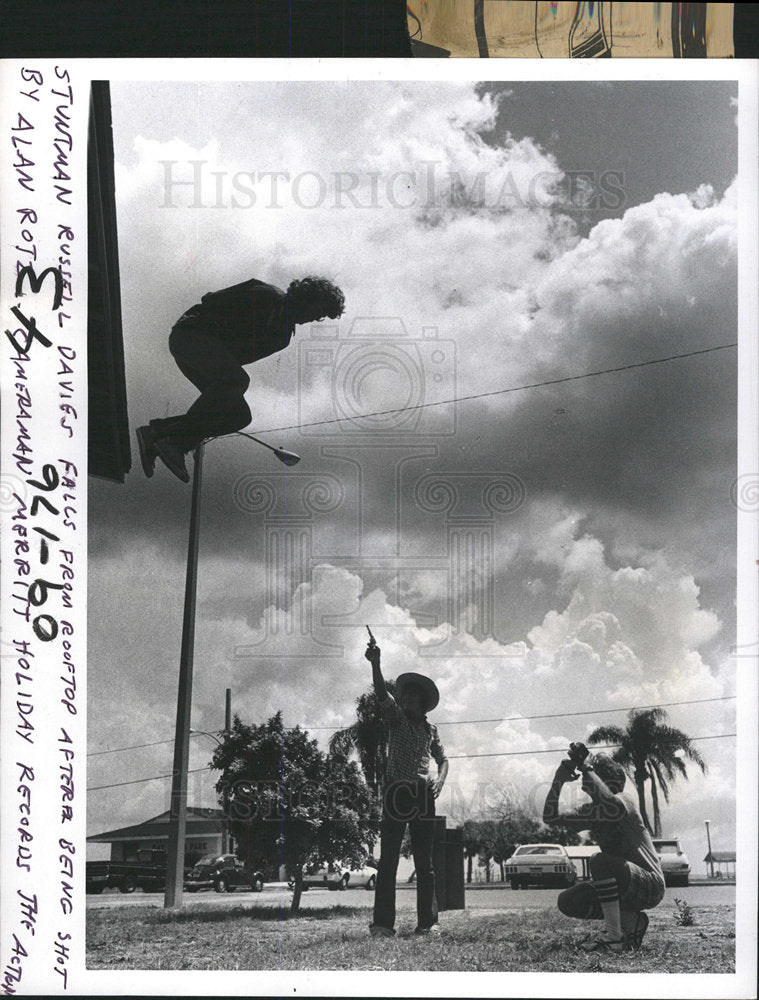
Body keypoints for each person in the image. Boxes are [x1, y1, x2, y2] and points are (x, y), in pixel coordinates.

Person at [136, 275, 345, 482]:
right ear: (306, 297)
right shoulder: (267, 295)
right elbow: (211, 300)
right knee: (237, 381)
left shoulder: (282, 337)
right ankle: (174, 443)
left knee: (239, 416)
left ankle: (158, 432)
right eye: (316, 309)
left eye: (320, 315)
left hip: (207, 353)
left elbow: (238, 358)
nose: (313, 317)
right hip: (190, 335)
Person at [364, 639, 448, 938]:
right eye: (406, 697)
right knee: (388, 860)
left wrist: (440, 780)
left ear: (423, 703)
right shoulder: (395, 720)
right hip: (396, 793)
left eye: (413, 698)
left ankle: (428, 923)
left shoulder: (431, 729)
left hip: (423, 795)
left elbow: (443, 759)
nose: (408, 701)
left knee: (425, 863)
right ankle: (383, 925)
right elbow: (381, 694)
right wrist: (375, 663)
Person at [543, 749, 665, 953]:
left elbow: (613, 807)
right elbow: (550, 817)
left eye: (591, 773)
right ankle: (631, 921)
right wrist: (559, 780)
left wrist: (586, 766)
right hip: (626, 885)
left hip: (650, 884)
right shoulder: (590, 811)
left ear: (603, 779)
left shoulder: (625, 799)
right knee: (568, 901)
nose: (585, 776)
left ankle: (613, 936)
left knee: (600, 861)